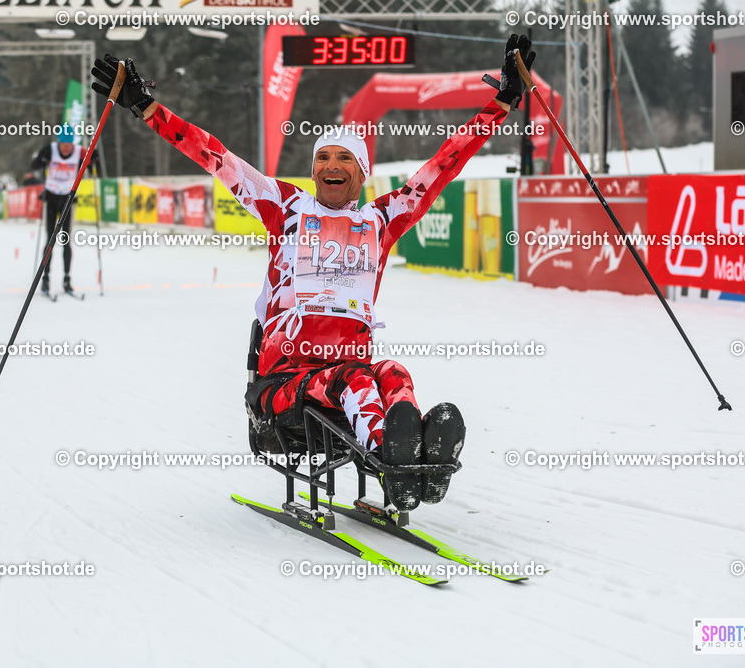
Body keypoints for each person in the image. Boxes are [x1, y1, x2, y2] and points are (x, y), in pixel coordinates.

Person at [91, 35, 536, 510]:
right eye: (322, 157)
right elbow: (213, 155)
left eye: (344, 158)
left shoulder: (380, 222)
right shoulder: (284, 207)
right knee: (357, 379)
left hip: (350, 371)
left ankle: (420, 464)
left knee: (393, 373)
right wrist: (144, 106)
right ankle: (394, 460)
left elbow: (445, 163)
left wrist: (504, 100)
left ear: (361, 174)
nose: (330, 164)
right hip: (283, 384)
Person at [30, 124, 91, 295]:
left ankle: (67, 279)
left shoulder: (79, 151)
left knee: (65, 239)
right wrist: (41, 161)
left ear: (72, 144)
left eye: (68, 145)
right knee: (50, 239)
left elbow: (94, 162)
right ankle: (45, 279)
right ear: (58, 143)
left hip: (67, 199)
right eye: (62, 145)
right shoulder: (50, 150)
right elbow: (34, 165)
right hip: (51, 196)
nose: (65, 149)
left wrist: (94, 161)